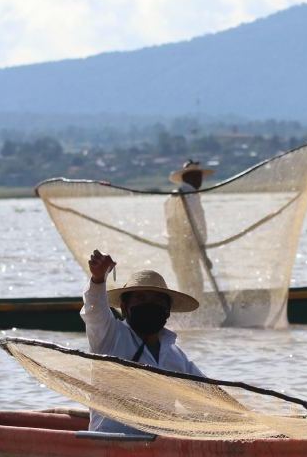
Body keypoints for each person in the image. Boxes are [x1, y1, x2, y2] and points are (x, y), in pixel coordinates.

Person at [82, 249, 204, 434]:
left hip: (160, 444)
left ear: (167, 310)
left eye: (157, 300)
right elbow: (94, 310)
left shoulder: (175, 355)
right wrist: (98, 279)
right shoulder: (110, 335)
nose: (150, 305)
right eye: (140, 298)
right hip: (109, 439)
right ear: (124, 306)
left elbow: (208, 395)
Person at [164, 160, 214, 297]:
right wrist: (203, 254)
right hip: (187, 247)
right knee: (194, 286)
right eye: (197, 177)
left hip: (179, 247)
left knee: (186, 284)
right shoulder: (187, 195)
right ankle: (194, 314)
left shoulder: (174, 195)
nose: (200, 180)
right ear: (189, 177)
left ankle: (192, 313)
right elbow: (191, 227)